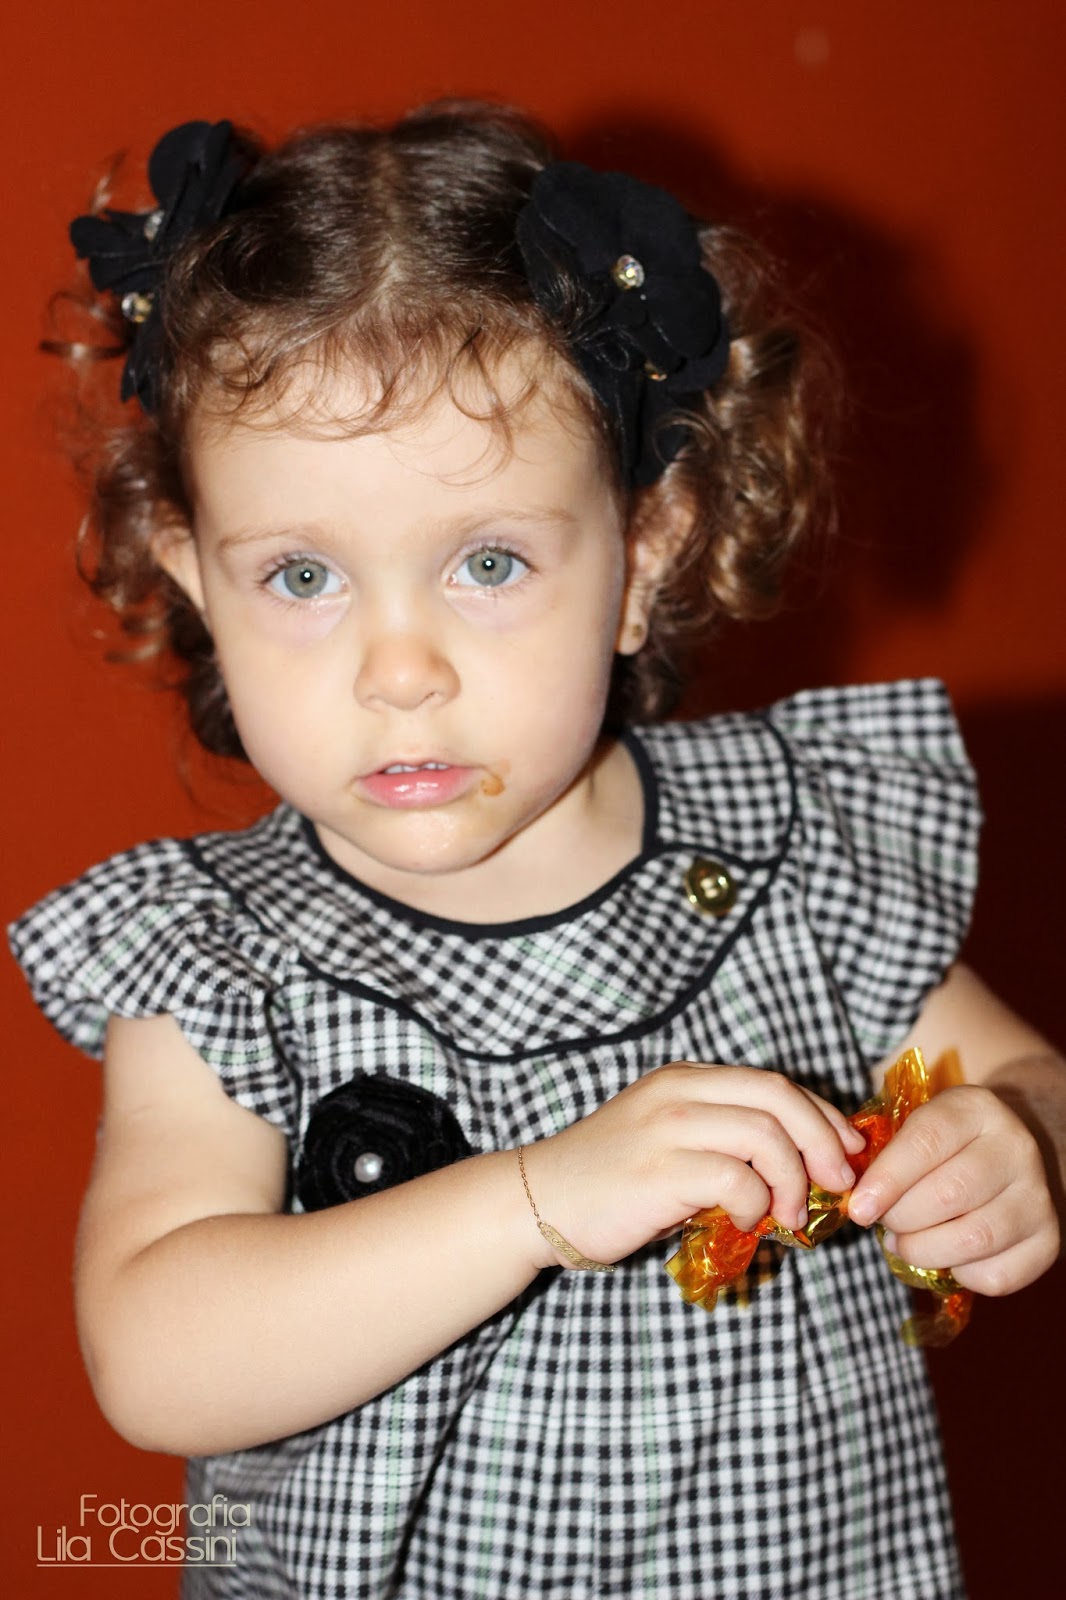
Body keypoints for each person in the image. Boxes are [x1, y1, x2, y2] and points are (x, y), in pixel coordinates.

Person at [8, 104, 1063, 1600]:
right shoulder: (225, 959)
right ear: (194, 581)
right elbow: (156, 1356)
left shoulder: (791, 846)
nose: (399, 670)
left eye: (488, 562)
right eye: (301, 577)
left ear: (643, 555)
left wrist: (1016, 1144)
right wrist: (532, 1201)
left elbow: (1026, 1079)